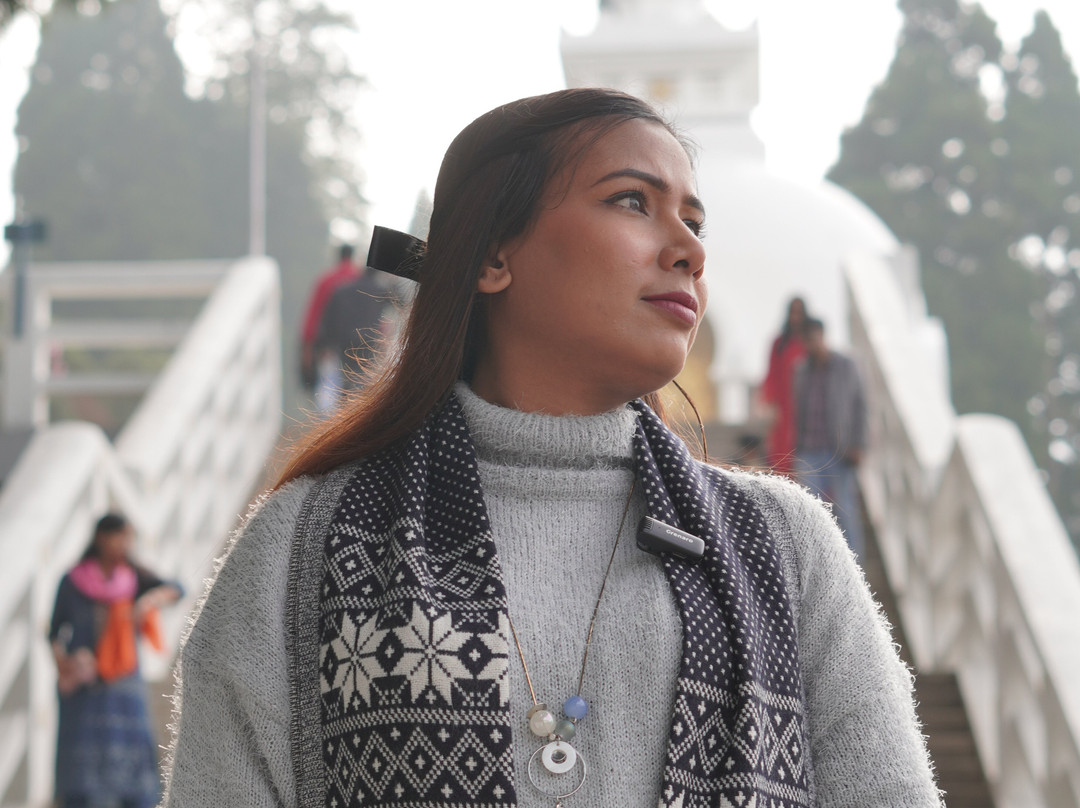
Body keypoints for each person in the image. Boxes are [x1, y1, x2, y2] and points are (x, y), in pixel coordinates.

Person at [161, 88, 939, 808]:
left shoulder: (785, 548)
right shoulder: (303, 545)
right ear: (494, 257)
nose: (688, 251)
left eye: (695, 223)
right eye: (632, 201)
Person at [49, 512, 182, 808]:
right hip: (86, 687)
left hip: (124, 686)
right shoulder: (73, 582)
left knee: (134, 771)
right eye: (119, 535)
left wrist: (150, 600)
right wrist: (66, 663)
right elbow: (54, 632)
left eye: (128, 537)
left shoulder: (133, 579)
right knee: (82, 774)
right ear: (100, 538)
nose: (125, 543)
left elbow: (177, 589)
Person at [793, 317, 869, 563]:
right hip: (809, 449)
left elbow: (860, 406)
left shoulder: (845, 366)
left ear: (823, 337)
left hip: (840, 449)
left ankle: (854, 565)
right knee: (809, 509)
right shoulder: (803, 370)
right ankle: (816, 563)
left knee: (846, 508)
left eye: (815, 339)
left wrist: (858, 443)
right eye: (808, 340)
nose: (812, 345)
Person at [311, 265, 392, 407]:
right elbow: (401, 302)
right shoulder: (380, 290)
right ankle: (363, 410)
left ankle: (346, 410)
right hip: (369, 341)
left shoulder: (343, 289)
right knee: (366, 380)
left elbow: (329, 319)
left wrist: (324, 343)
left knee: (347, 379)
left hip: (346, 342)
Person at [299, 244, 363, 412]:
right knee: (356, 390)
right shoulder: (360, 279)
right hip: (358, 345)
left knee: (329, 388)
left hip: (329, 346)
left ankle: (328, 429)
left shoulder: (326, 280)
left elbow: (313, 315)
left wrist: (307, 347)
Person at [759, 296, 809, 475]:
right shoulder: (779, 343)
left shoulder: (808, 344)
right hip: (783, 406)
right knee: (782, 451)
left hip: (806, 407)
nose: (795, 317)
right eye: (793, 313)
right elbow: (771, 375)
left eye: (799, 313)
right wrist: (770, 404)